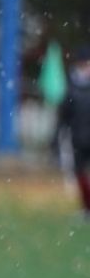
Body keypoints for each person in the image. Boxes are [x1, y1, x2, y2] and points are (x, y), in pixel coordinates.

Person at [55, 46, 90, 219]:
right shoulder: (71, 87)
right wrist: (56, 138)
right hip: (79, 138)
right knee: (80, 173)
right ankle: (87, 207)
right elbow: (64, 116)